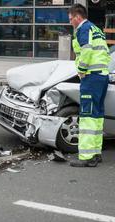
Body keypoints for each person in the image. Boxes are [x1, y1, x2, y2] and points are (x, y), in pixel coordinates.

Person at [68, 4, 110, 167]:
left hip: (91, 77)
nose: (71, 22)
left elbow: (86, 50)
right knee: (97, 116)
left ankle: (85, 157)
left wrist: (81, 69)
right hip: (101, 76)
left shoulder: (83, 29)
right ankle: (95, 153)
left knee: (87, 116)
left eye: (71, 19)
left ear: (78, 17)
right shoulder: (95, 29)